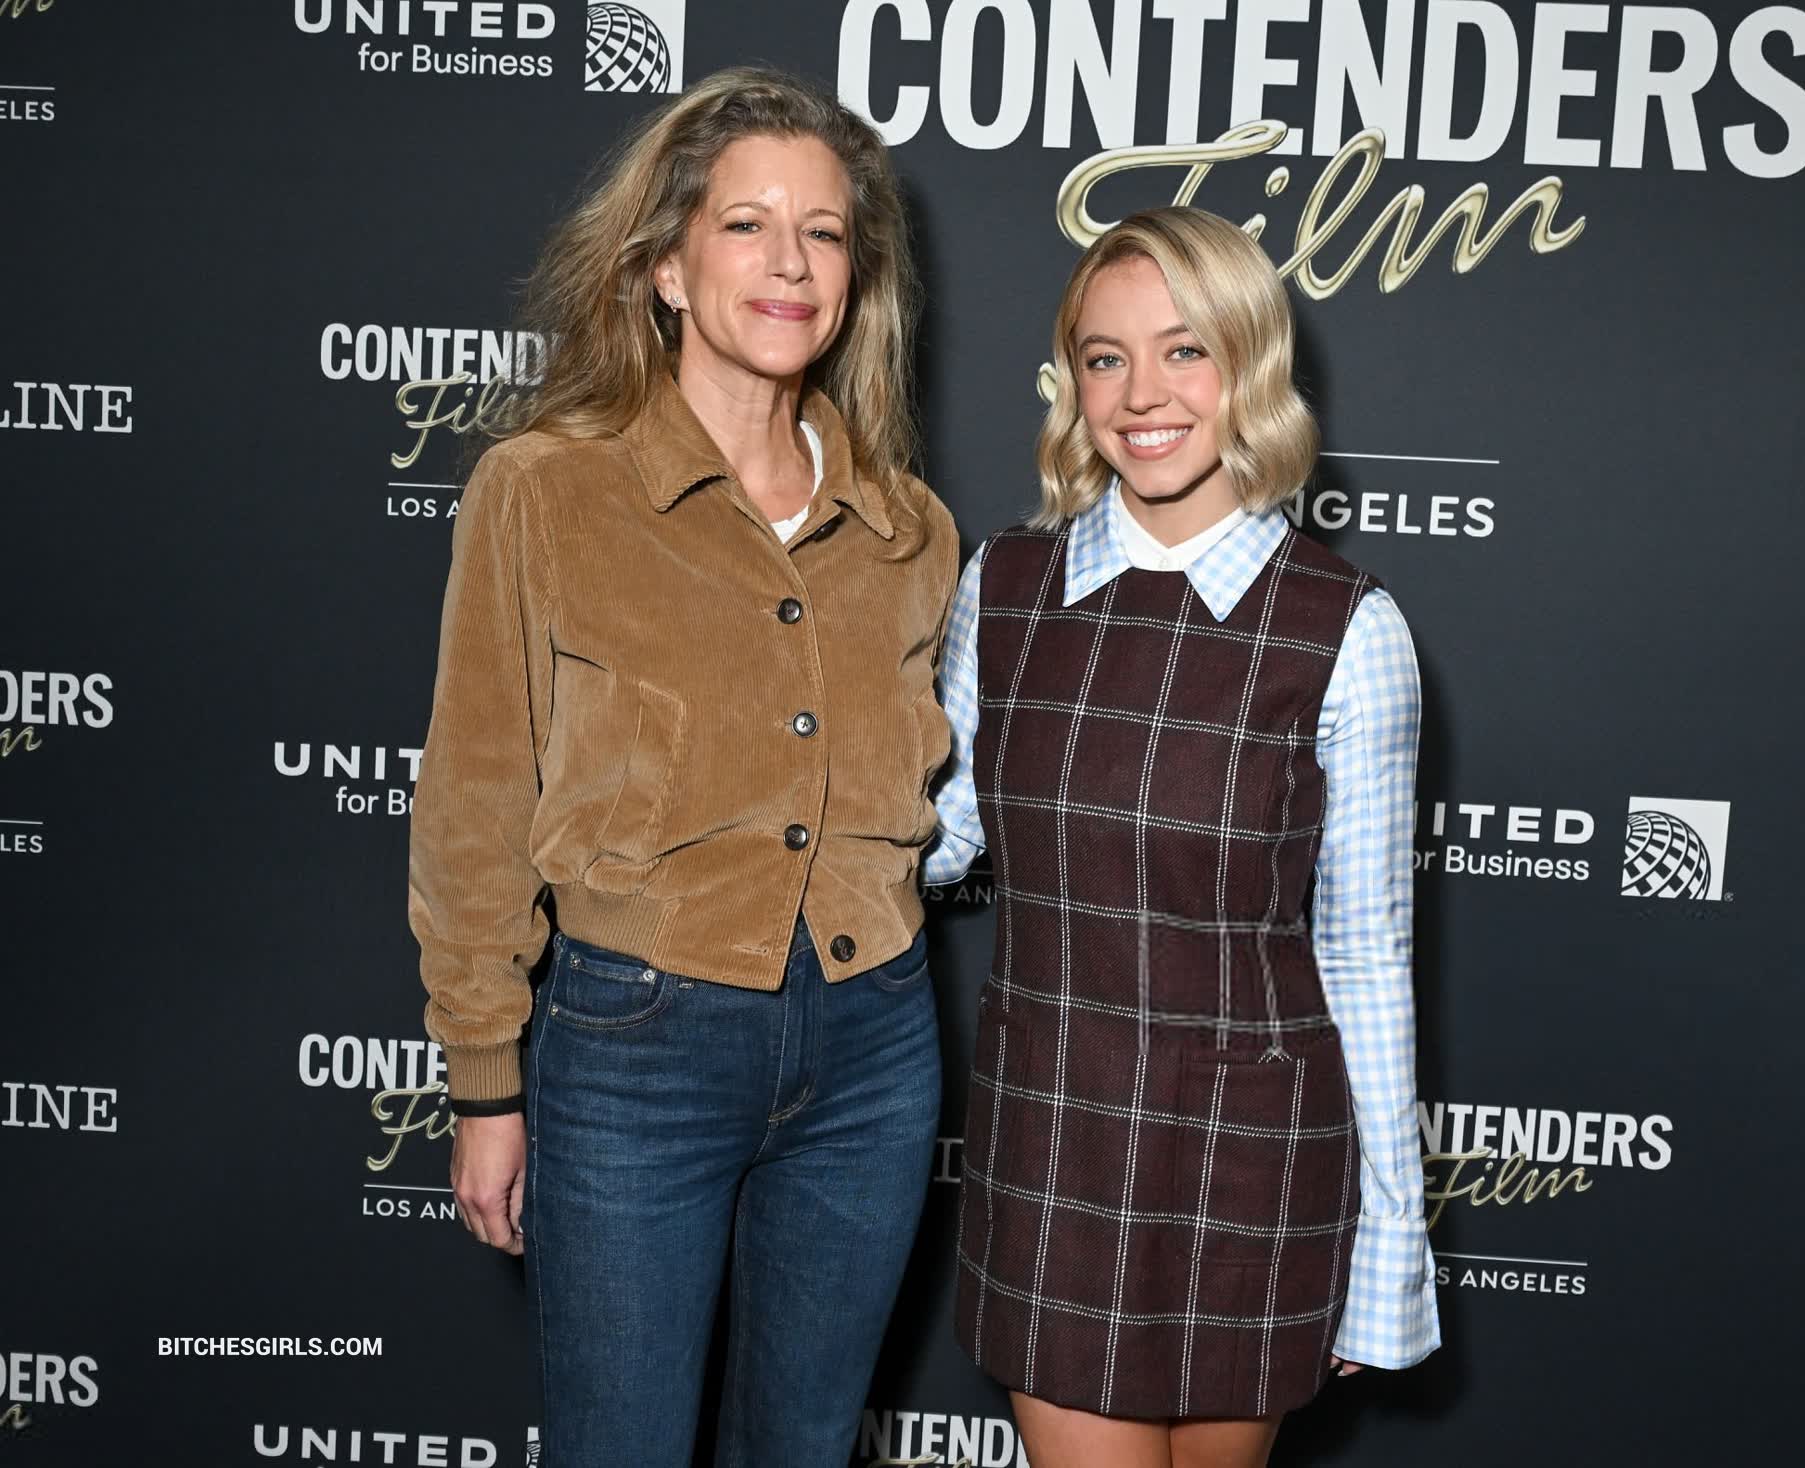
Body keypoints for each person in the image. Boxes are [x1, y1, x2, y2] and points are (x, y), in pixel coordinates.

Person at [407, 67, 959, 1468]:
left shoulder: (909, 529)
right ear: (665, 264)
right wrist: (485, 1081)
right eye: (746, 225)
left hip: (875, 1046)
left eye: (824, 232)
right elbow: (476, 801)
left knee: (806, 1443)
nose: (791, 264)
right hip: (637, 1048)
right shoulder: (545, 491)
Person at [924, 206, 1440, 1468]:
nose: (1141, 395)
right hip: (1054, 1134)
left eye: (1184, 350)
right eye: (1104, 358)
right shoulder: (1004, 589)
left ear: (1248, 365)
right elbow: (938, 838)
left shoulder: (1348, 628)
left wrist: (1389, 1241)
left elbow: (1363, 954)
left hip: (1251, 1153)